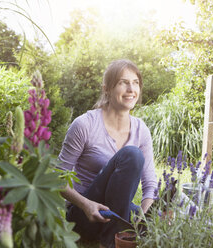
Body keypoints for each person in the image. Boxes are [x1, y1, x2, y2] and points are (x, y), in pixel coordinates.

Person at [57, 59, 157, 248]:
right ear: (107, 89)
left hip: (118, 213)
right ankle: (113, 242)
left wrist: (142, 218)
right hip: (85, 216)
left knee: (163, 214)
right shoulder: (84, 125)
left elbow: (150, 184)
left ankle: (118, 235)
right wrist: (86, 205)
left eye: (135, 82)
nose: (131, 89)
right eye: (123, 82)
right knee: (132, 155)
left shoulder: (141, 130)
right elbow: (57, 178)